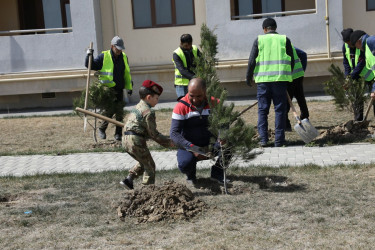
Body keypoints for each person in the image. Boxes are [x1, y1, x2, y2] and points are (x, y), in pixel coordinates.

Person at [170, 78, 231, 185]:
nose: (194, 100)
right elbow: (174, 134)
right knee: (185, 164)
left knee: (229, 145)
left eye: (199, 96)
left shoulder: (215, 103)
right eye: (191, 95)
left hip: (212, 144)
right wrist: (193, 148)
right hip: (190, 146)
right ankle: (191, 175)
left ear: (205, 92)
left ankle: (217, 173)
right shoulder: (180, 107)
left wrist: (220, 141)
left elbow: (224, 124)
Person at [246, 17, 294, 147]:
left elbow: (251, 61)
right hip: (280, 80)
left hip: (263, 81)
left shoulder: (259, 40)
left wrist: (248, 76)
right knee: (280, 110)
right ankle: (279, 140)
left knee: (263, 110)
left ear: (264, 29)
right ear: (275, 28)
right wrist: (288, 76)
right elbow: (292, 60)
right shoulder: (284, 39)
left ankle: (263, 140)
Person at [120, 80, 174, 190]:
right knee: (150, 166)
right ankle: (147, 191)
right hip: (136, 140)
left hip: (125, 139)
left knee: (143, 160)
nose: (157, 101)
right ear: (149, 97)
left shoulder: (137, 107)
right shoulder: (148, 112)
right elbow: (154, 134)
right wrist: (169, 142)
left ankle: (129, 179)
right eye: (156, 98)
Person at [85, 36, 132, 141]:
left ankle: (118, 134)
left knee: (119, 112)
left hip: (119, 88)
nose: (119, 51)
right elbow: (90, 65)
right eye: (117, 48)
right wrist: (89, 55)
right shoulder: (104, 56)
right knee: (110, 111)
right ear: (112, 46)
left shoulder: (124, 57)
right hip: (108, 89)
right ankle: (102, 128)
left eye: (121, 49)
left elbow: (126, 73)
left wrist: (129, 86)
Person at [341, 29, 375, 120]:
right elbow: (346, 63)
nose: (349, 45)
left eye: (350, 43)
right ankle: (358, 120)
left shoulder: (366, 44)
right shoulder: (346, 46)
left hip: (369, 75)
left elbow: (362, 62)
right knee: (357, 98)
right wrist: (348, 77)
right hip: (356, 76)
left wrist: (352, 76)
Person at [285, 46, 309, 131]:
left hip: (289, 78)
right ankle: (305, 118)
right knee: (300, 98)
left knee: (286, 101)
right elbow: (303, 54)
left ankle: (286, 124)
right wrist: (302, 69)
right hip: (298, 75)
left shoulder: (277, 47)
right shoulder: (289, 44)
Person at [172, 34, 201, 99]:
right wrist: (195, 78)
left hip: (194, 83)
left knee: (193, 104)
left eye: (189, 45)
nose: (188, 47)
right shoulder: (176, 53)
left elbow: (202, 62)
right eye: (186, 45)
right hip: (181, 85)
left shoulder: (195, 49)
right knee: (183, 104)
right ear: (181, 43)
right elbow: (182, 70)